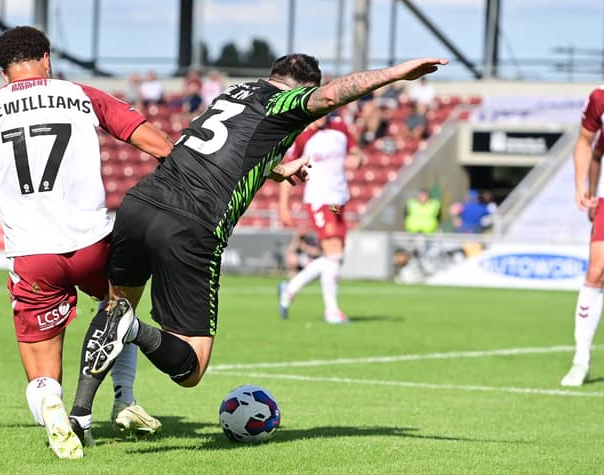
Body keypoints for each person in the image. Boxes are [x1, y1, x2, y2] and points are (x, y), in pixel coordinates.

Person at [69, 54, 448, 442]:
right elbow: (333, 96)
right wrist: (397, 74)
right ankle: (132, 330)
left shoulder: (233, 93)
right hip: (192, 220)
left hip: (141, 204)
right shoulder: (282, 101)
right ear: (302, 88)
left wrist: (276, 167)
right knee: (191, 366)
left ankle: (81, 414)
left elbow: (220, 145)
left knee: (115, 307)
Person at [0, 26, 173, 459]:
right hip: (92, 243)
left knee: (41, 371)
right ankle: (124, 399)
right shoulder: (80, 94)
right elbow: (158, 145)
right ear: (47, 59)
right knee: (119, 312)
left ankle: (51, 403)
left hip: (33, 255)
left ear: (2, 72)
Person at [277, 113, 363, 323]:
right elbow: (286, 172)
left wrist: (357, 159)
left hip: (337, 201)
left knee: (336, 255)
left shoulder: (340, 125)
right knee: (333, 251)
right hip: (319, 199)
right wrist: (283, 207)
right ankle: (331, 311)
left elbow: (355, 152)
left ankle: (290, 288)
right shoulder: (302, 135)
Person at [561, 88, 604, 386]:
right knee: (597, 270)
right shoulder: (600, 98)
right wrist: (585, 187)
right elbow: (588, 143)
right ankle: (581, 360)